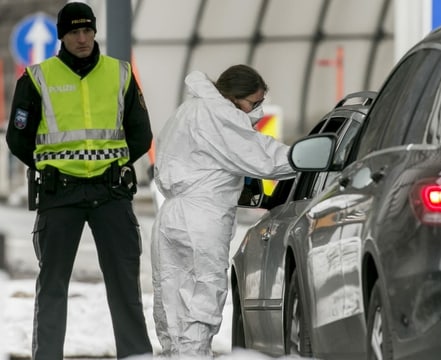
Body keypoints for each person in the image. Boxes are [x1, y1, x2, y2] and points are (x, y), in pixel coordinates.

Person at [5, 3, 153, 359]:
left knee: (125, 289)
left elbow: (141, 134)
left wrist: (113, 165)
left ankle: (136, 356)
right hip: (60, 195)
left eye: (88, 30)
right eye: (74, 32)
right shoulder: (37, 77)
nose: (83, 38)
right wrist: (50, 166)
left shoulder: (120, 73)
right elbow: (18, 137)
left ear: (95, 31)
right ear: (62, 36)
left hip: (111, 192)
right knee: (53, 287)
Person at [151, 65, 295, 357]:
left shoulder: (188, 110)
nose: (257, 111)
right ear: (233, 96)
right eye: (254, 103)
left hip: (170, 215)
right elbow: (262, 158)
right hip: (203, 216)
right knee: (203, 298)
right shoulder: (220, 115)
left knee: (170, 301)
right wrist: (303, 156)